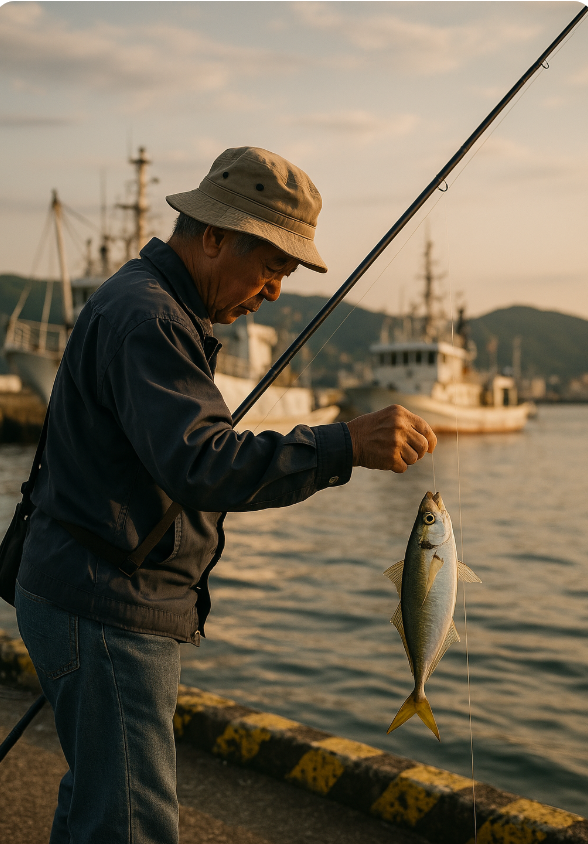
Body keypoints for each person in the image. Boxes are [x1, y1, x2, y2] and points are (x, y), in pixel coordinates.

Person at [15, 146, 436, 844]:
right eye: (272, 265)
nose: (275, 289)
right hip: (106, 608)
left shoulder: (147, 302)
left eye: (287, 273)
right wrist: (345, 445)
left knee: (98, 802)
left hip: (80, 589)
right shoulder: (150, 318)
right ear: (212, 236)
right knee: (129, 824)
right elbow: (204, 464)